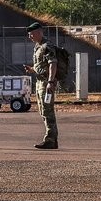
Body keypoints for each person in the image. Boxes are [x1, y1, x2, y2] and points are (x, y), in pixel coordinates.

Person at [27, 21, 64, 149]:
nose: (30, 37)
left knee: (47, 110)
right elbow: (42, 65)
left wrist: (50, 82)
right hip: (40, 82)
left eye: (32, 34)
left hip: (45, 83)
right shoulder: (38, 47)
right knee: (43, 110)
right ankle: (52, 139)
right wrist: (33, 69)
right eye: (29, 34)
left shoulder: (47, 46)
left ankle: (50, 139)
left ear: (39, 32)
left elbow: (52, 63)